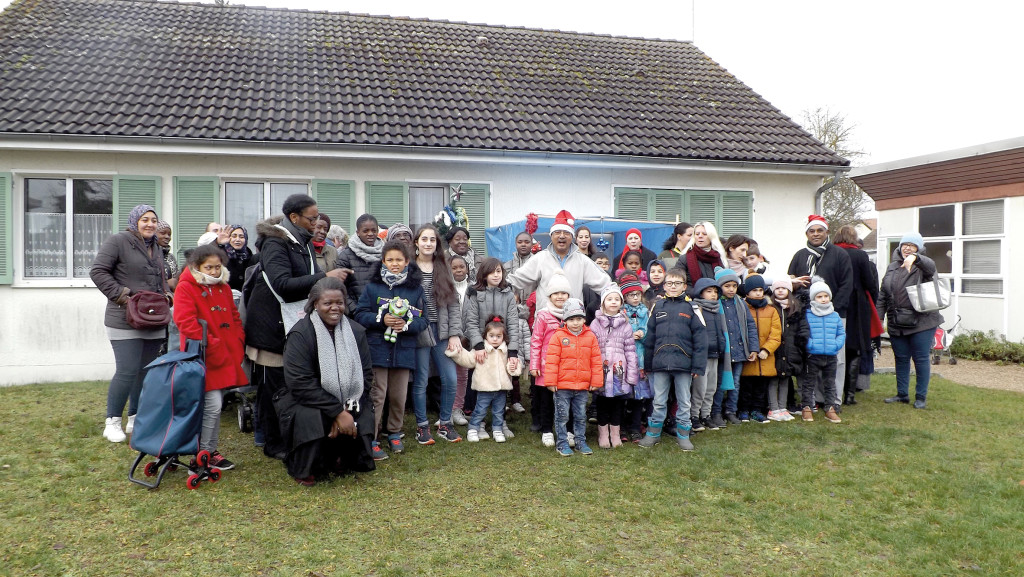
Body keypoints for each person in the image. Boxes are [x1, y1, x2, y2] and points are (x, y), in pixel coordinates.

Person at [244, 195, 350, 460]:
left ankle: (288, 436)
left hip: (291, 325)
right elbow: (283, 285)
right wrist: (324, 276)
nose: (316, 223)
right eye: (312, 219)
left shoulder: (302, 242)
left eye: (317, 218)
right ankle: (270, 442)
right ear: (294, 217)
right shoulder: (275, 243)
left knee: (289, 386)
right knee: (272, 389)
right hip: (271, 328)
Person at [278, 277, 376, 486]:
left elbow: (366, 375)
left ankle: (341, 457)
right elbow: (299, 383)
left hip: (349, 397)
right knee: (311, 417)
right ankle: (307, 467)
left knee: (364, 410)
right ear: (315, 304)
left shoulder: (356, 331)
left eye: (339, 302)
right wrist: (337, 412)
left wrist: (347, 409)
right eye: (327, 303)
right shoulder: (300, 334)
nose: (335, 308)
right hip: (307, 399)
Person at [90, 204, 173, 443]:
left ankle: (135, 418)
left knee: (144, 372)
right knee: (127, 370)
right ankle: (112, 421)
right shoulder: (118, 241)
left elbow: (161, 279)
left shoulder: (157, 247)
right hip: (123, 318)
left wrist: (167, 295)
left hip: (153, 318)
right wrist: (123, 296)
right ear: (135, 221)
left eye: (153, 220)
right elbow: (98, 271)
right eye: (145, 219)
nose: (150, 224)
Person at [173, 244, 247, 470]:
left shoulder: (223, 287)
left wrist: (237, 339)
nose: (214, 271)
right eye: (209, 267)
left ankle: (208, 451)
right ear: (197, 266)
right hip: (203, 355)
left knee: (215, 404)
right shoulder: (186, 287)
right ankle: (204, 453)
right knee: (213, 405)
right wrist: (212, 344)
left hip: (225, 353)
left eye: (218, 267)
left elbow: (234, 316)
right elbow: (185, 322)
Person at [354, 241, 428, 459]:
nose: (394, 264)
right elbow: (360, 314)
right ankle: (372, 436)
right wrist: (382, 320)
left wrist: (406, 325)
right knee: (377, 395)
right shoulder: (372, 288)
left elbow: (423, 320)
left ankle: (394, 432)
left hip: (404, 350)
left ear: (407, 262)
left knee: (398, 396)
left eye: (399, 260)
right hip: (377, 349)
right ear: (383, 261)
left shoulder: (415, 289)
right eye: (390, 260)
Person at [788, 214, 853, 409]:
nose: (815, 234)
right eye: (812, 231)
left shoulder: (839, 254)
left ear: (827, 232)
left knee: (836, 357)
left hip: (833, 313)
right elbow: (791, 280)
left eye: (819, 230)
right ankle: (813, 398)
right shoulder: (800, 255)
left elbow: (847, 283)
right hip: (808, 315)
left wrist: (834, 309)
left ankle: (833, 399)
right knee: (811, 355)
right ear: (807, 233)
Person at [639, 267, 707, 450]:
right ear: (664, 286)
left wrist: (698, 366)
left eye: (677, 283)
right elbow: (650, 338)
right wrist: (648, 365)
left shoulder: (692, 308)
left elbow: (701, 339)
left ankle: (683, 434)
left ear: (684, 286)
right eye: (669, 283)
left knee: (684, 401)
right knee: (658, 401)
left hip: (684, 365)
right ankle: (653, 434)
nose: (673, 286)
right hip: (660, 364)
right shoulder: (658, 306)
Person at [410, 224, 464, 445]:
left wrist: (454, 334)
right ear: (416, 242)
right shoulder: (410, 267)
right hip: (419, 330)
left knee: (450, 378)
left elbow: (453, 302)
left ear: (437, 244)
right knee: (421, 380)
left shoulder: (443, 267)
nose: (428, 243)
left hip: (441, 331)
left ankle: (445, 423)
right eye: (424, 239)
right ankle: (422, 427)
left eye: (432, 240)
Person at [876, 233, 943, 409]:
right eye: (904, 244)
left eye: (912, 245)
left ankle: (921, 397)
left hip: (923, 322)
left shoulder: (924, 266)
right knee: (901, 358)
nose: (907, 248)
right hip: (896, 321)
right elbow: (883, 295)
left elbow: (930, 266)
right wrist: (879, 318)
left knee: (920, 359)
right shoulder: (892, 267)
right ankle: (902, 394)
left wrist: (915, 258)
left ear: (919, 248)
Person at [463, 257, 521, 439]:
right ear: (484, 274)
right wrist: (478, 345)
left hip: (502, 348)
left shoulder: (508, 294)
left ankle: (500, 422)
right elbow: (471, 321)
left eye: (499, 271)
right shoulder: (475, 293)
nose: (496, 275)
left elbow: (513, 323)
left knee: (502, 386)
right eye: (492, 272)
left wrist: (512, 351)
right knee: (479, 384)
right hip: (482, 348)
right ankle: (478, 423)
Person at [508, 210, 612, 308]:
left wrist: (614, 296)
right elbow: (516, 280)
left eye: (566, 233)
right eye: (557, 232)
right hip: (546, 318)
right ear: (551, 236)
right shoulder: (540, 258)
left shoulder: (582, 261)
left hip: (573, 318)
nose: (562, 236)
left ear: (572, 237)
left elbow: (605, 285)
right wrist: (501, 284)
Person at [447, 316, 521, 443]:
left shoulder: (506, 351)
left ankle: (497, 429)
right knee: (480, 410)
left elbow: (513, 368)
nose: (495, 339)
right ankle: (473, 429)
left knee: (499, 411)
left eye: (498, 336)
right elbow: (467, 359)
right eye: (491, 336)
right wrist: (456, 352)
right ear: (485, 336)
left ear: (503, 337)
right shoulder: (480, 351)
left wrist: (514, 367)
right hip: (484, 388)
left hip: (502, 389)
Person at [544, 298, 602, 457]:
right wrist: (551, 382)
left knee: (581, 416)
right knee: (562, 416)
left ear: (584, 319)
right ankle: (562, 443)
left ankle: (580, 442)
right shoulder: (558, 336)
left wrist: (596, 381)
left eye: (578, 319)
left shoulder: (590, 336)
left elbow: (596, 360)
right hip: (562, 387)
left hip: (582, 387)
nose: (575, 323)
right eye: (571, 319)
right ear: (565, 320)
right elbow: (552, 360)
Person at [833, 224, 880, 405]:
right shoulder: (860, 255)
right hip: (858, 306)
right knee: (855, 349)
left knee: (837, 348)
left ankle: (834, 391)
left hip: (835, 303)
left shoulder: (831, 253)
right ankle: (850, 395)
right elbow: (870, 282)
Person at [709, 267, 759, 429]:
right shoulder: (715, 304)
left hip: (739, 350)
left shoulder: (741, 304)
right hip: (722, 352)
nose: (731, 289)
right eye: (727, 286)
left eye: (734, 286)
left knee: (735, 383)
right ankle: (716, 412)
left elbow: (750, 325)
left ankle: (731, 410)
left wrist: (753, 348)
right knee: (719, 384)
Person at [591, 284, 639, 449]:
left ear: (621, 302)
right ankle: (603, 435)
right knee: (602, 404)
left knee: (618, 405)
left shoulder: (625, 325)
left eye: (616, 299)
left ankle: (615, 434)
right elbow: (591, 349)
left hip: (619, 372)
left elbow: (630, 351)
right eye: (609, 299)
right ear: (603, 303)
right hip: (602, 371)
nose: (613, 302)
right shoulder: (595, 324)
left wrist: (631, 375)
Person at [530, 270, 571, 447]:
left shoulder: (573, 315)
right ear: (549, 296)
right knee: (546, 400)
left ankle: (568, 430)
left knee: (567, 399)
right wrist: (534, 364)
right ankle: (547, 430)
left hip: (567, 366)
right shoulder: (543, 315)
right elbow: (536, 341)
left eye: (563, 293)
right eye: (556, 293)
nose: (560, 296)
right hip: (546, 366)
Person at [738, 274, 782, 424]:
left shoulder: (771, 310)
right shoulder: (742, 308)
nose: (758, 293)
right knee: (745, 386)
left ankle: (757, 410)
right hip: (748, 355)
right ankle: (743, 410)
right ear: (747, 292)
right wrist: (749, 350)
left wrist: (766, 350)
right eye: (754, 290)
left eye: (760, 290)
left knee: (760, 387)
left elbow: (776, 334)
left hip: (765, 357)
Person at [800, 278, 845, 423]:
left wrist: (835, 345)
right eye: (819, 296)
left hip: (831, 356)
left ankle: (830, 408)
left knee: (830, 383)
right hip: (813, 355)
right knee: (809, 383)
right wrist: (810, 345)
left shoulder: (835, 315)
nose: (824, 299)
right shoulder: (807, 315)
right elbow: (804, 333)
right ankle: (807, 407)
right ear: (813, 298)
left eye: (826, 296)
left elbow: (841, 333)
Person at [503, 231, 535, 414]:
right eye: (520, 241)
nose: (523, 244)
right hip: (512, 313)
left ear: (532, 244)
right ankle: (511, 395)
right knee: (512, 353)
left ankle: (534, 390)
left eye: (527, 242)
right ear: (515, 244)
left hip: (532, 313)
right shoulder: (507, 266)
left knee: (532, 352)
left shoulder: (537, 264)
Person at [689, 278, 726, 432]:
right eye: (709, 291)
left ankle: (706, 414)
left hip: (714, 354)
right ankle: (694, 416)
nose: (713, 295)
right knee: (700, 388)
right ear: (700, 293)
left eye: (715, 292)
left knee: (711, 387)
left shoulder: (716, 310)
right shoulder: (696, 309)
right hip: (701, 356)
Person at [769, 277, 807, 422]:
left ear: (789, 291)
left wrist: (799, 344)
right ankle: (773, 408)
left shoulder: (796, 307)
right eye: (777, 288)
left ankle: (782, 407)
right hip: (775, 349)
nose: (780, 291)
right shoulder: (771, 307)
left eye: (784, 288)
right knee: (773, 379)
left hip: (790, 349)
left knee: (785, 378)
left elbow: (801, 328)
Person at [619, 274, 651, 443]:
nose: (635, 298)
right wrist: (629, 334)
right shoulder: (621, 313)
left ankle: (636, 427)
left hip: (641, 360)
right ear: (625, 297)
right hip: (625, 361)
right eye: (631, 295)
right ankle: (622, 426)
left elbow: (649, 331)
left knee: (639, 396)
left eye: (638, 294)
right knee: (624, 396)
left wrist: (642, 334)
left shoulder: (645, 312)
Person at [335, 214, 383, 307]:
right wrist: (354, 309)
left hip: (381, 310)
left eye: (374, 230)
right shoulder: (346, 256)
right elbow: (339, 287)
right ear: (358, 232)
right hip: (356, 310)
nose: (370, 234)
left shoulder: (385, 254)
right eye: (365, 231)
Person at [449, 254, 472, 425]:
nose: (458, 270)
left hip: (467, 339)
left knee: (463, 375)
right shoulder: (445, 287)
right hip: (449, 337)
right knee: (448, 376)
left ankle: (457, 409)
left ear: (467, 269)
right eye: (454, 267)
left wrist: (466, 336)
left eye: (461, 267)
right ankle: (446, 411)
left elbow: (475, 315)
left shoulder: (474, 289)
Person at [681, 221, 728, 285]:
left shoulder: (719, 257)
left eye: (704, 234)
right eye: (697, 234)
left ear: (711, 236)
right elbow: (679, 282)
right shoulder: (684, 258)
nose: (700, 236)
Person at [223, 225, 254, 292]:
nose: (237, 240)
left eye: (241, 237)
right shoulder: (221, 256)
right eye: (234, 236)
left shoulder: (250, 257)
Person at [155, 221, 178, 291]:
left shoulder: (171, 257)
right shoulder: (149, 255)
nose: (167, 237)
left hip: (171, 295)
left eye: (169, 234)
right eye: (162, 233)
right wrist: (167, 284)